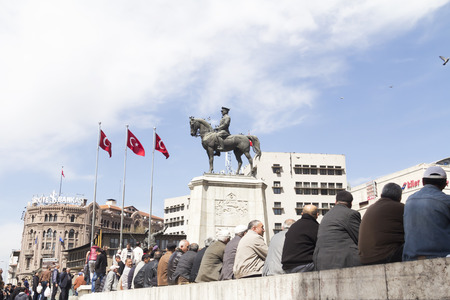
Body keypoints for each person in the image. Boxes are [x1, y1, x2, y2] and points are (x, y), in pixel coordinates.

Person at [403, 166, 450, 261]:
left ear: (423, 182)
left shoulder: (409, 200)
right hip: (441, 257)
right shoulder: (446, 200)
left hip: (410, 258)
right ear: (445, 184)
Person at [313, 191, 361, 271]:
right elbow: (360, 238)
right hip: (343, 261)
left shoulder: (326, 215)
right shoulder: (351, 214)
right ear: (351, 203)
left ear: (335, 202)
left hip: (321, 261)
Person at [359, 183, 405, 265]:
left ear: (381, 194)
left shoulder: (371, 208)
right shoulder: (399, 207)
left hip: (364, 259)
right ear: (399, 197)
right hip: (384, 257)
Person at [282, 205, 319, 273]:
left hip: (287, 267)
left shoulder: (294, 226)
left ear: (302, 214)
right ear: (317, 215)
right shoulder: (315, 227)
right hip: (304, 265)